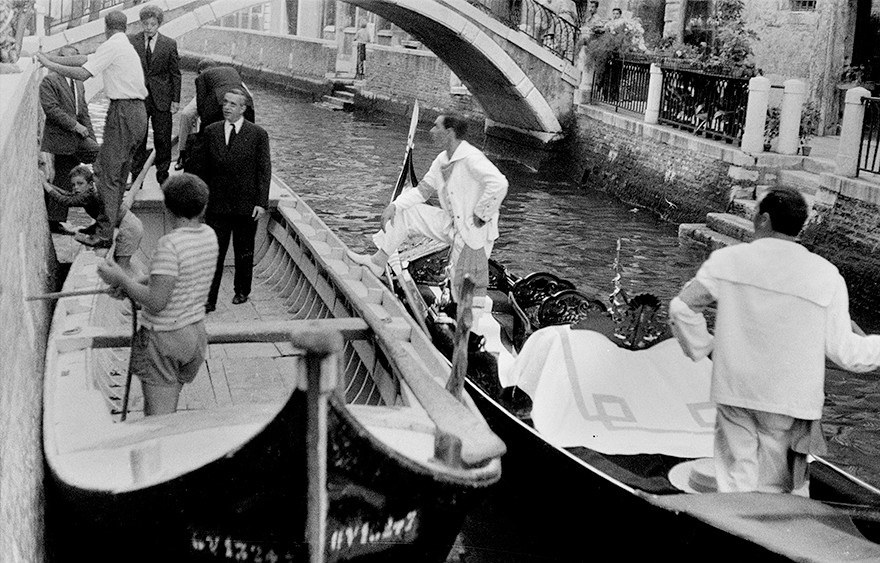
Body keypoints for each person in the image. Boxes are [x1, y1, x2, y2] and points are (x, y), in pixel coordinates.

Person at [669, 187, 880, 495]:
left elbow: (682, 307)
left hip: (737, 391)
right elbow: (846, 353)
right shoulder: (827, 275)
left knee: (737, 480)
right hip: (792, 402)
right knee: (784, 490)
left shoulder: (729, 260)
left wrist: (704, 347)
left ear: (764, 219)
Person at [347, 113, 508, 311]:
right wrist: (394, 206)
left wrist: (481, 214)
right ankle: (377, 262)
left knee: (464, 293)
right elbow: (422, 191)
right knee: (407, 212)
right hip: (452, 224)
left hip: (474, 233)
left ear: (449, 132)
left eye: (436, 127)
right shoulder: (442, 160)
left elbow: (499, 183)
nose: (431, 131)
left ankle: (463, 334)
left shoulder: (472, 158)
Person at [97, 173, 218, 416]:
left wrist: (120, 279)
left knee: (159, 422)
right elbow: (170, 279)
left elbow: (156, 301)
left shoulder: (170, 245)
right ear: (203, 207)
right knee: (166, 410)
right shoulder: (209, 236)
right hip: (194, 336)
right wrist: (131, 284)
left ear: (167, 207)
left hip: (165, 339)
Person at [36, 10, 148, 250]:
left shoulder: (113, 44)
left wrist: (49, 64)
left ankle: (104, 235)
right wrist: (49, 58)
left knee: (106, 174)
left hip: (123, 112)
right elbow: (83, 59)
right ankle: (103, 225)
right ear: (125, 27)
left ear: (106, 28)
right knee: (115, 174)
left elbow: (83, 72)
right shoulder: (123, 45)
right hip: (138, 114)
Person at [189, 87, 271, 313]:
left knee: (244, 250)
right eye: (225, 103)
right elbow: (200, 169)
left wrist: (260, 202)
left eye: (233, 104)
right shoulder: (211, 131)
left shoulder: (258, 135)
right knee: (214, 252)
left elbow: (264, 171)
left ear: (243, 109)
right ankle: (209, 299)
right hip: (217, 205)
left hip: (246, 206)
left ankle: (242, 290)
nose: (226, 107)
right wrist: (200, 201)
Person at [39, 45, 99, 234]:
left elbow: (83, 112)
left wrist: (90, 135)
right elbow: (52, 110)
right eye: (68, 59)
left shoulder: (78, 83)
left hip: (76, 137)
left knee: (65, 175)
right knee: (101, 156)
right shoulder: (50, 81)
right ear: (61, 60)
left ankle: (56, 219)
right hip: (61, 137)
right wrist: (76, 127)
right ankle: (100, 203)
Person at [41, 164, 143, 274]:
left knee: (122, 266)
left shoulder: (88, 196)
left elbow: (66, 201)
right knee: (122, 263)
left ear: (90, 184)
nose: (76, 187)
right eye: (73, 185)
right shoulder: (88, 193)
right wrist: (51, 186)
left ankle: (130, 286)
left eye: (80, 184)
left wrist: (45, 185)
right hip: (130, 224)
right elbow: (68, 195)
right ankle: (137, 279)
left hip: (128, 227)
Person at [129, 5, 181, 187]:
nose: (149, 27)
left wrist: (175, 100)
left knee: (162, 137)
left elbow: (175, 73)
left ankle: (162, 174)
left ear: (159, 24)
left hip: (162, 98)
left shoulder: (169, 44)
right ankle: (136, 177)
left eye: (153, 24)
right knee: (138, 138)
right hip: (139, 97)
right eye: (146, 23)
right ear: (141, 23)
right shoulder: (132, 42)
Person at [194, 60, 255, 133]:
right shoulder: (231, 69)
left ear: (200, 70)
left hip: (219, 99)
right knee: (248, 131)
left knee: (209, 130)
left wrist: (203, 120)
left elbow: (201, 103)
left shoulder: (202, 76)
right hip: (246, 99)